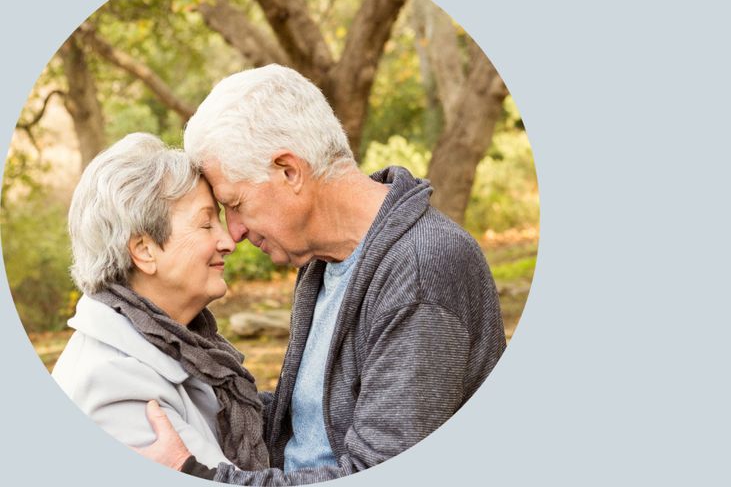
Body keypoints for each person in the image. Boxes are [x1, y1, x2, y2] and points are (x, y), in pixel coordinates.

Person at [140, 63, 506, 483]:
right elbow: (309, 426)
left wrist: (193, 473)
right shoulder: (326, 261)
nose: (235, 232)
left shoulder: (421, 270)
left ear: (289, 171)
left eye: (235, 203)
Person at [52, 134, 270, 472]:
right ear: (144, 250)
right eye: (206, 222)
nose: (228, 241)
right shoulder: (113, 385)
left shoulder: (183, 348)